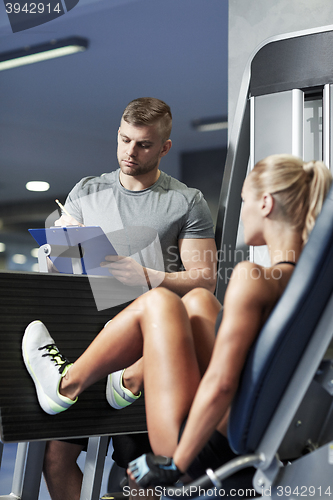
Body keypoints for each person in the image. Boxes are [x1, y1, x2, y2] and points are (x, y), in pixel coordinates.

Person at [22, 155, 332, 492]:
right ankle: (126, 379)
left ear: (266, 203)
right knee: (196, 301)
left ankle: (66, 384)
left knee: (159, 302)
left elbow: (222, 382)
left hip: (202, 446)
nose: (242, 212)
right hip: (250, 431)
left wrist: (175, 463)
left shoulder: (252, 277)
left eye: (244, 200)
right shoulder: (306, 286)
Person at [42, 97, 217, 500]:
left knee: (138, 477)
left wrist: (147, 276)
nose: (130, 152)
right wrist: (56, 247)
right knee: (56, 458)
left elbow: (204, 282)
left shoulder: (186, 201)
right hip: (88, 340)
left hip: (146, 351)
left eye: (142, 145)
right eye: (124, 141)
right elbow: (59, 270)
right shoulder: (86, 191)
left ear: (164, 148)